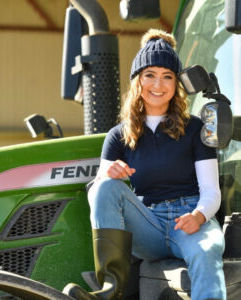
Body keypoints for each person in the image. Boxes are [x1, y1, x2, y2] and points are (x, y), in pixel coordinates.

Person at [63, 29, 226, 300]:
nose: (158, 85)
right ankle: (111, 288)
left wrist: (198, 216)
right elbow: (99, 197)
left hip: (190, 220)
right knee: (103, 186)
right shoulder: (118, 135)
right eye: (150, 75)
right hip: (147, 224)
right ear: (138, 80)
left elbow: (211, 191)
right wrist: (108, 176)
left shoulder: (196, 128)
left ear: (176, 84)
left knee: (207, 251)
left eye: (167, 76)